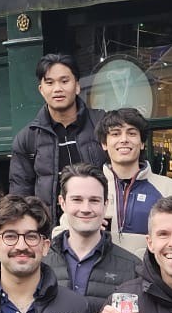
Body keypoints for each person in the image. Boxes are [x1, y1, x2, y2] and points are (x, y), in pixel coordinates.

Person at [10, 54, 108, 204]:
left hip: (99, 220)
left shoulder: (101, 124)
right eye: (49, 83)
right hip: (50, 225)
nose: (57, 89)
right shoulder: (27, 138)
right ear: (41, 90)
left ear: (77, 86)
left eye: (64, 81)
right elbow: (20, 195)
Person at [46, 164, 143, 309]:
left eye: (94, 200)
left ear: (105, 205)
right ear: (62, 203)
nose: (86, 209)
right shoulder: (40, 262)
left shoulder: (132, 268)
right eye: (77, 200)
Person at [100, 107, 172, 253]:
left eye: (131, 133)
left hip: (150, 274)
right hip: (98, 273)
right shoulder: (90, 187)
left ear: (142, 143)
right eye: (115, 134)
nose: (124, 140)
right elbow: (62, 235)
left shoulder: (168, 188)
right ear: (104, 144)